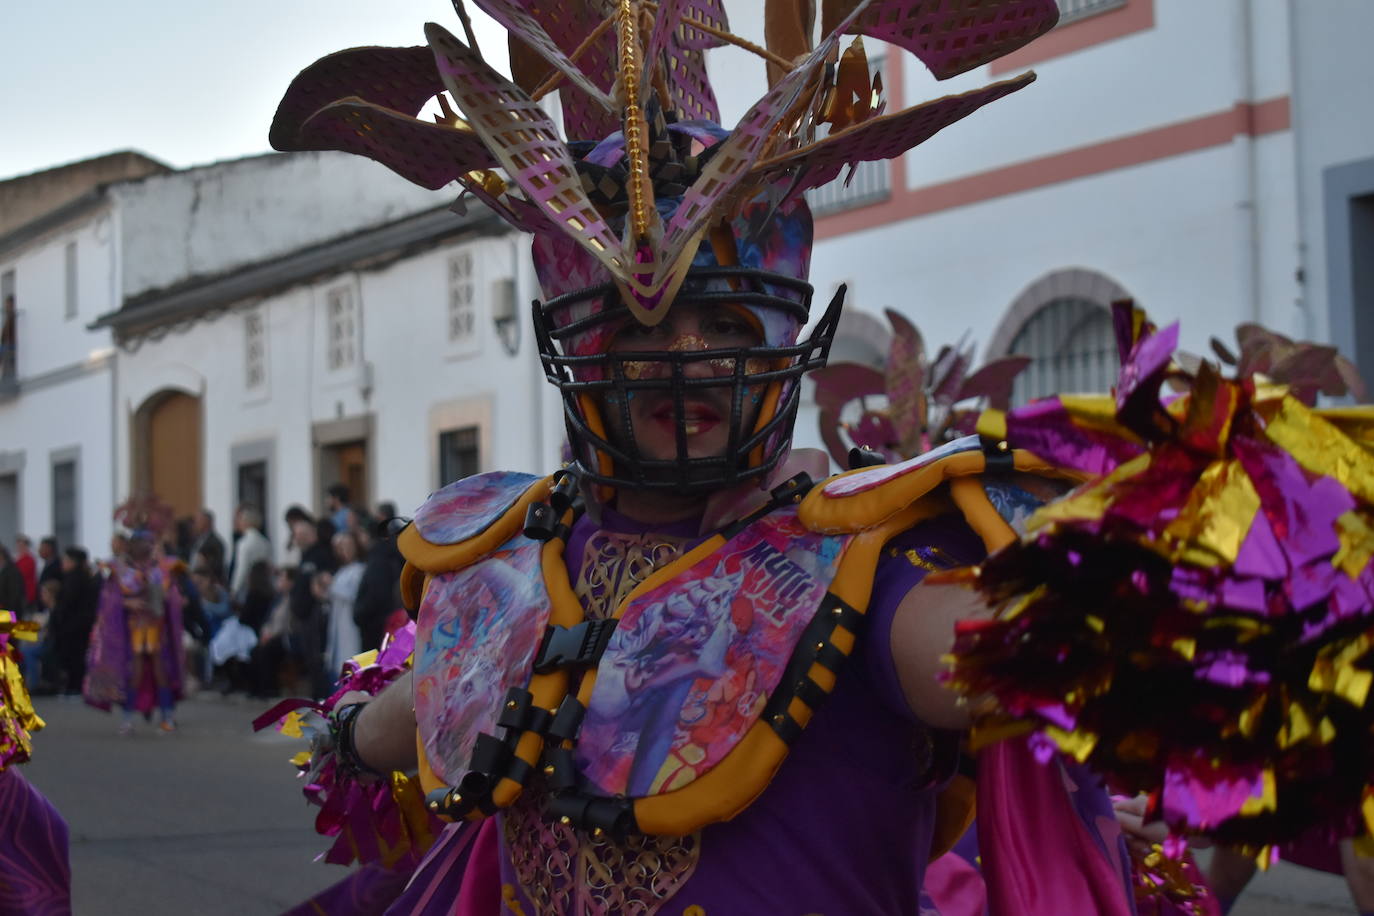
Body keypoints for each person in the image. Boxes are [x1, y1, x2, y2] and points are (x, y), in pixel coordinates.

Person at [266, 4, 1138, 912]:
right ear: (580, 345)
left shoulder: (863, 556)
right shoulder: (512, 548)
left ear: (782, 335)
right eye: (639, 325)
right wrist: (347, 730)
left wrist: (1167, 592)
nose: (687, 357)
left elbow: (1009, 653)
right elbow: (421, 703)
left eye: (724, 323)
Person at [84, 506, 186, 735]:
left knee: (160, 669)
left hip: (157, 625)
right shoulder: (119, 568)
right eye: (143, 543)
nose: (147, 547)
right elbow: (108, 598)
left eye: (151, 542)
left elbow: (172, 594)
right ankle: (128, 719)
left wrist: (166, 596)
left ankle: (167, 716)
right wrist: (126, 603)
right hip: (132, 627)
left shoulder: (163, 567)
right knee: (135, 672)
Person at [51, 547, 98, 696]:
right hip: (80, 623)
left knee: (74, 655)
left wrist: (59, 614)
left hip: (74, 624)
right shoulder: (82, 577)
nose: (63, 564)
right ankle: (74, 685)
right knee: (76, 655)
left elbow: (68, 602)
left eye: (65, 560)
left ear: (73, 562)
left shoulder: (74, 579)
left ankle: (75, 686)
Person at [320, 529, 364, 677]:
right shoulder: (341, 571)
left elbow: (352, 593)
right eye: (341, 547)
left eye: (348, 546)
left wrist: (331, 584)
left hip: (350, 623)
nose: (345, 551)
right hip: (338, 623)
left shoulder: (359, 570)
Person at [228, 503, 271, 609]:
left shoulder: (243, 542)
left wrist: (234, 589)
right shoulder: (265, 541)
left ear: (246, 522)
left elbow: (241, 568)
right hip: (263, 586)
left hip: (248, 587)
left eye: (240, 520)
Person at [188, 508, 226, 583]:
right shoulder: (197, 539)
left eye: (198, 521)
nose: (195, 524)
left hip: (208, 582)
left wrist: (205, 563)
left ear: (206, 522)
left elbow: (217, 567)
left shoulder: (216, 543)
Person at [0, 544, 26, 622]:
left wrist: (11, 617)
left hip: (10, 612)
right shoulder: (4, 569)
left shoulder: (12, 571)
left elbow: (14, 596)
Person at [13, 535, 36, 613]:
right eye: (18, 546)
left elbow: (21, 575)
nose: (19, 548)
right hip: (18, 593)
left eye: (21, 545)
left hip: (26, 593)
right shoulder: (17, 559)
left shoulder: (29, 559)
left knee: (23, 614)